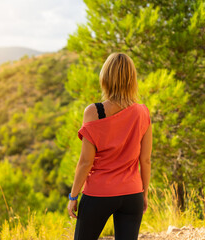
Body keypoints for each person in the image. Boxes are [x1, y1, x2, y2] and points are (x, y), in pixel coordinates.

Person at [67, 52, 152, 240]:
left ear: (105, 78)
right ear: (132, 80)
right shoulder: (142, 112)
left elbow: (85, 162)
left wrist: (73, 197)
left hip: (99, 193)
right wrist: (143, 194)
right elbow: (145, 160)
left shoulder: (94, 111)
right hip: (132, 194)